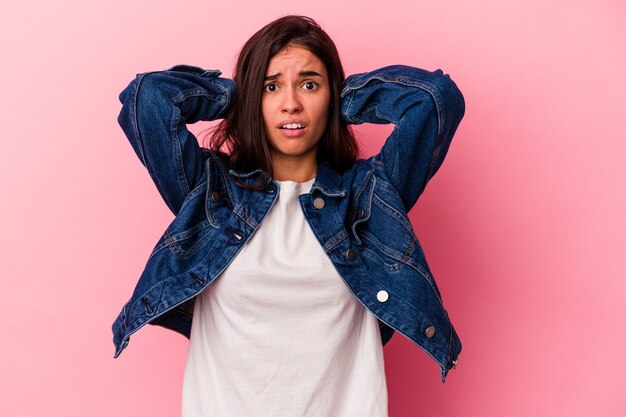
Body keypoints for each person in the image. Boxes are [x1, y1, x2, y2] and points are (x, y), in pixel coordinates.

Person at [112, 15, 464, 417]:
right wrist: (236, 95)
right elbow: (147, 98)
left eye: (310, 85)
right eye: (271, 86)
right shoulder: (211, 193)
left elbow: (436, 98)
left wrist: (342, 100)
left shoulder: (367, 196)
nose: (291, 102)